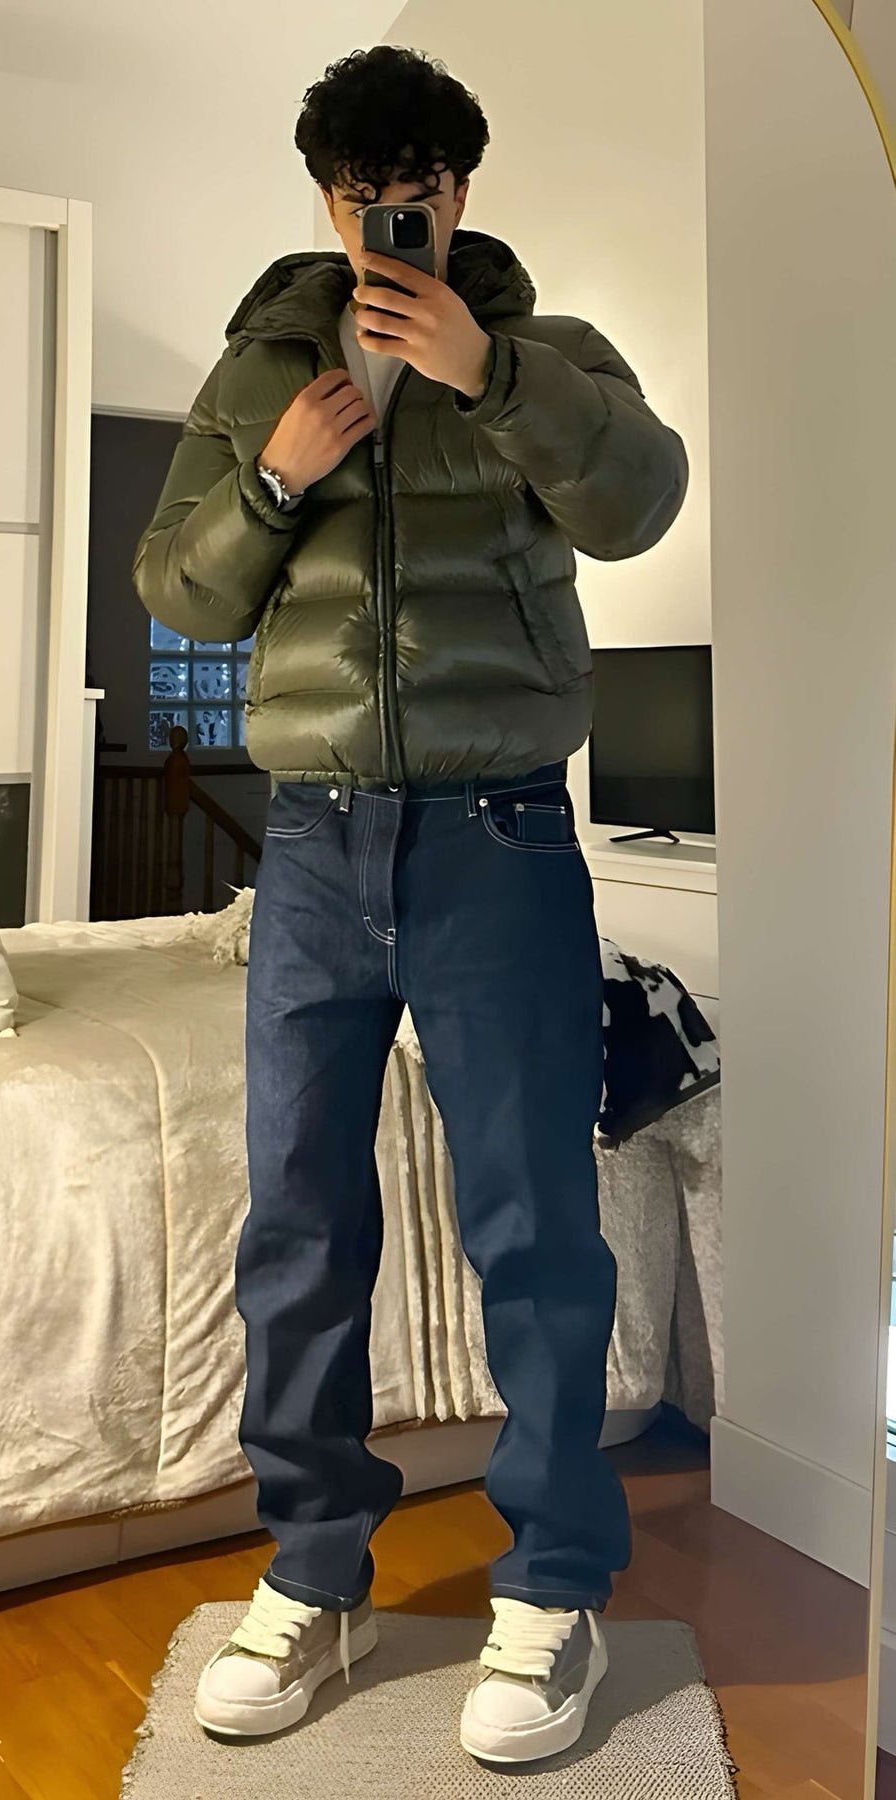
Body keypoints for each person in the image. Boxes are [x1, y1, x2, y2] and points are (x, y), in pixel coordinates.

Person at [132, 41, 688, 1768]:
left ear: (459, 191)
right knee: (297, 1224)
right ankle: (313, 1575)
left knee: (534, 1225)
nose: (395, 217)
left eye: (422, 190)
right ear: (327, 198)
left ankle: (554, 1589)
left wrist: (490, 374)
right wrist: (276, 473)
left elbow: (641, 499)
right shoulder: (258, 370)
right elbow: (178, 592)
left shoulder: (549, 354)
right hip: (310, 848)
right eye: (365, 192)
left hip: (497, 842)